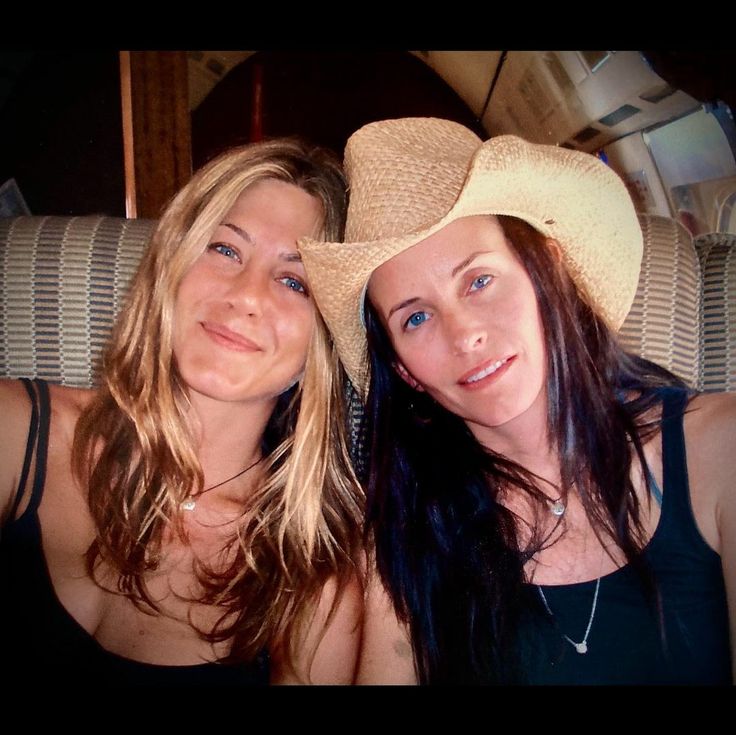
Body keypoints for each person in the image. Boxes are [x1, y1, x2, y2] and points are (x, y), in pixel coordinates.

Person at [298, 117, 735, 685]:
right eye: (417, 317)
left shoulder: (718, 448)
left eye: (479, 280)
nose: (464, 336)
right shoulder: (402, 531)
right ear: (405, 371)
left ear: (546, 270)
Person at [0, 138, 365, 685]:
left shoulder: (316, 577)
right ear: (172, 262)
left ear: (325, 341)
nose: (246, 294)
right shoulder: (16, 426)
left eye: (294, 281)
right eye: (224, 249)